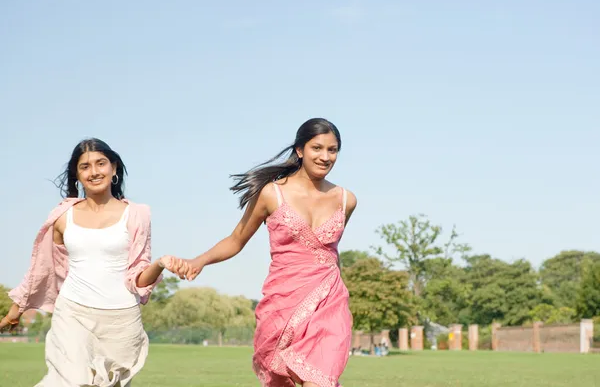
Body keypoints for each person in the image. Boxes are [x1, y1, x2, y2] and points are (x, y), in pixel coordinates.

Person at [0, 138, 188, 387]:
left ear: (114, 168)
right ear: (77, 175)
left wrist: (161, 264)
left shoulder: (137, 214)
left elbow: (138, 279)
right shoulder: (63, 215)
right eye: (85, 166)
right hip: (73, 313)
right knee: (67, 381)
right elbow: (41, 270)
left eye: (101, 163)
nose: (94, 172)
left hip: (121, 320)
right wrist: (16, 312)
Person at [184, 118, 357, 387]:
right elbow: (236, 239)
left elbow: (332, 254)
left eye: (332, 150)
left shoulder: (346, 199)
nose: (325, 157)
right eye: (317, 148)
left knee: (320, 381)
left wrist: (342, 302)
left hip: (330, 303)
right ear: (300, 150)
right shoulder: (271, 194)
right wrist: (200, 261)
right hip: (283, 301)